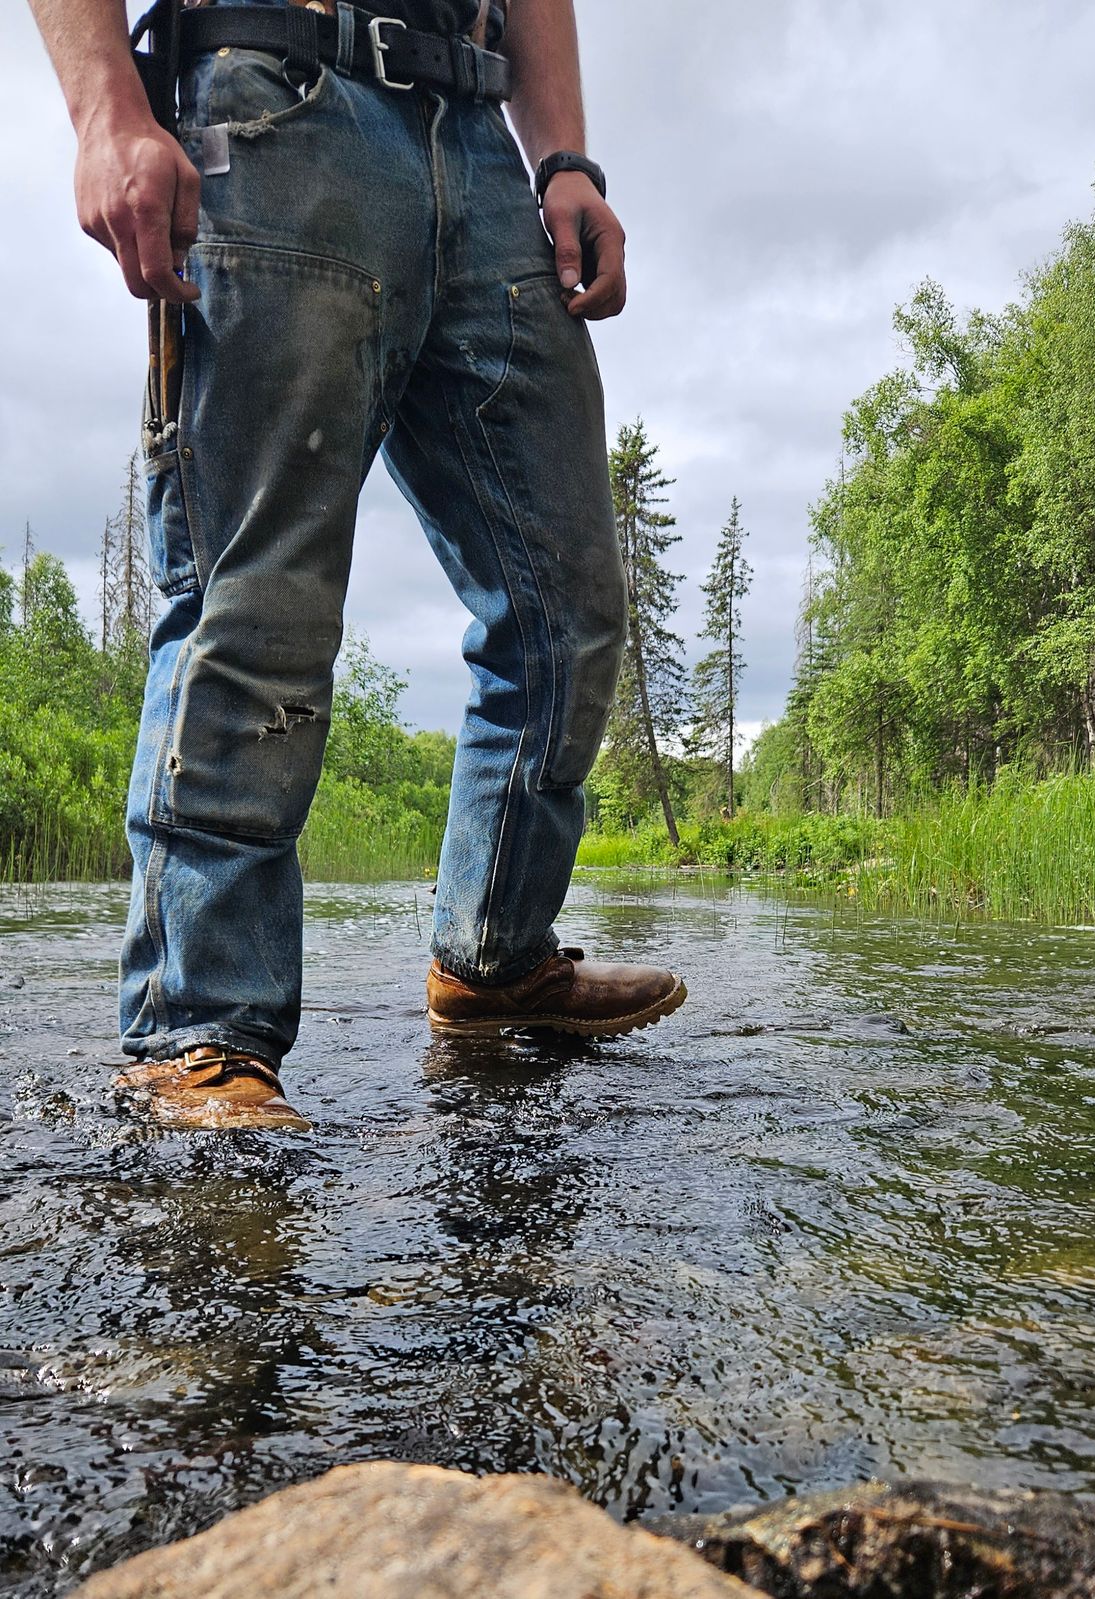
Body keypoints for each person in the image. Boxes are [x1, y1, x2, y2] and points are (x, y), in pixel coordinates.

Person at [27, 0, 687, 1132]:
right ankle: (199, 1032)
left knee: (564, 612)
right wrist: (105, 112)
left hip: (482, 147)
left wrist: (564, 158)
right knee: (257, 596)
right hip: (278, 101)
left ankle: (492, 960)